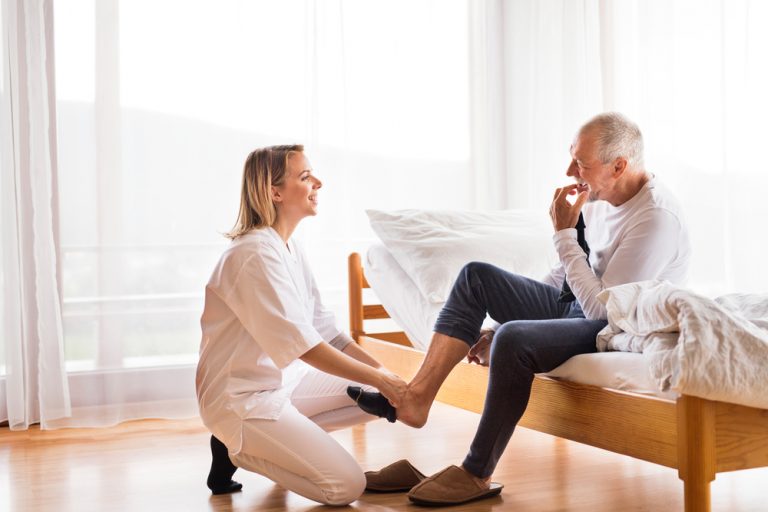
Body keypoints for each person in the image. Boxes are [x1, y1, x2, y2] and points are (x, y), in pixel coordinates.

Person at [348, 112, 691, 505]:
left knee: (515, 339)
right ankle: (416, 398)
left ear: (618, 166)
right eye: (571, 157)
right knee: (476, 276)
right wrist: (496, 322)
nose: (569, 170)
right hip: (579, 306)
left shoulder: (655, 217)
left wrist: (563, 233)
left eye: (581, 163)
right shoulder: (598, 196)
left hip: (616, 327)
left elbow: (604, 313)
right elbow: (563, 275)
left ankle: (476, 472)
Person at [196, 145, 407, 506]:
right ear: (274, 192)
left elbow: (326, 331)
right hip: (242, 400)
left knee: (382, 394)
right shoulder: (253, 254)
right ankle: (236, 449)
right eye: (306, 176)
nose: (319, 182)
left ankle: (275, 444)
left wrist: (392, 381)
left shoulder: (289, 247)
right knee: (345, 487)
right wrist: (386, 381)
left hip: (284, 384)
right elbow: (305, 347)